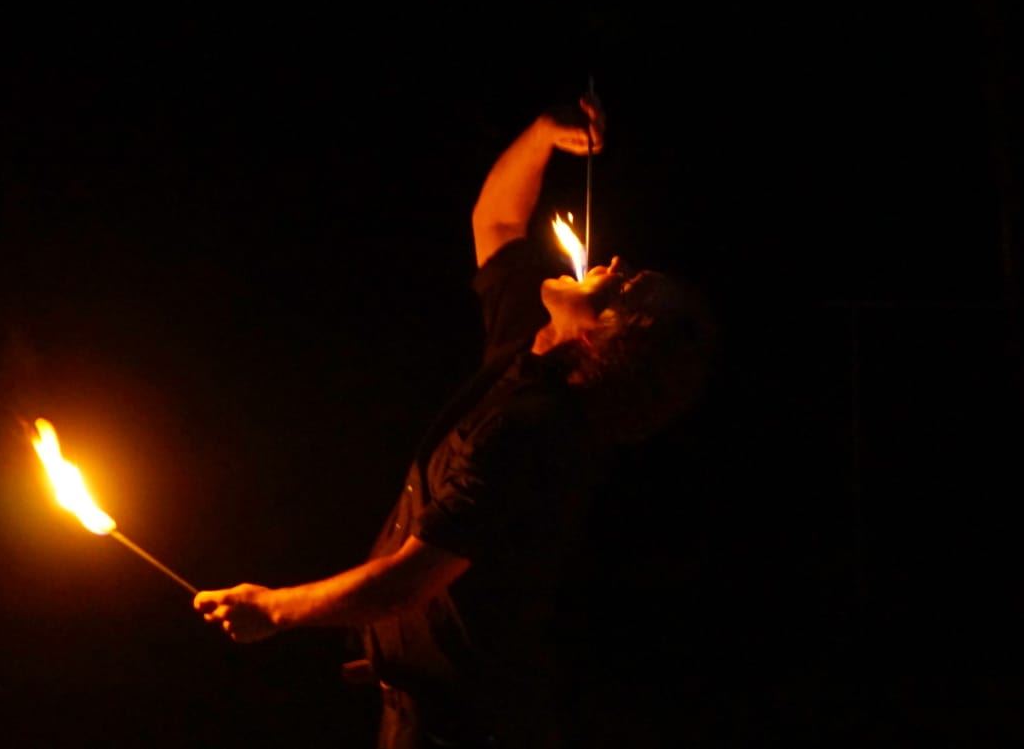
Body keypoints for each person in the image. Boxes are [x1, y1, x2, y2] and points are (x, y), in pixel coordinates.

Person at [194, 95, 715, 748]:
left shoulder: (533, 433)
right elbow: (496, 220)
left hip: (464, 728)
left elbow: (406, 584)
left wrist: (273, 608)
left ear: (601, 343)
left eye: (625, 285)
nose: (613, 263)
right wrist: (540, 136)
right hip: (422, 711)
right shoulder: (531, 344)